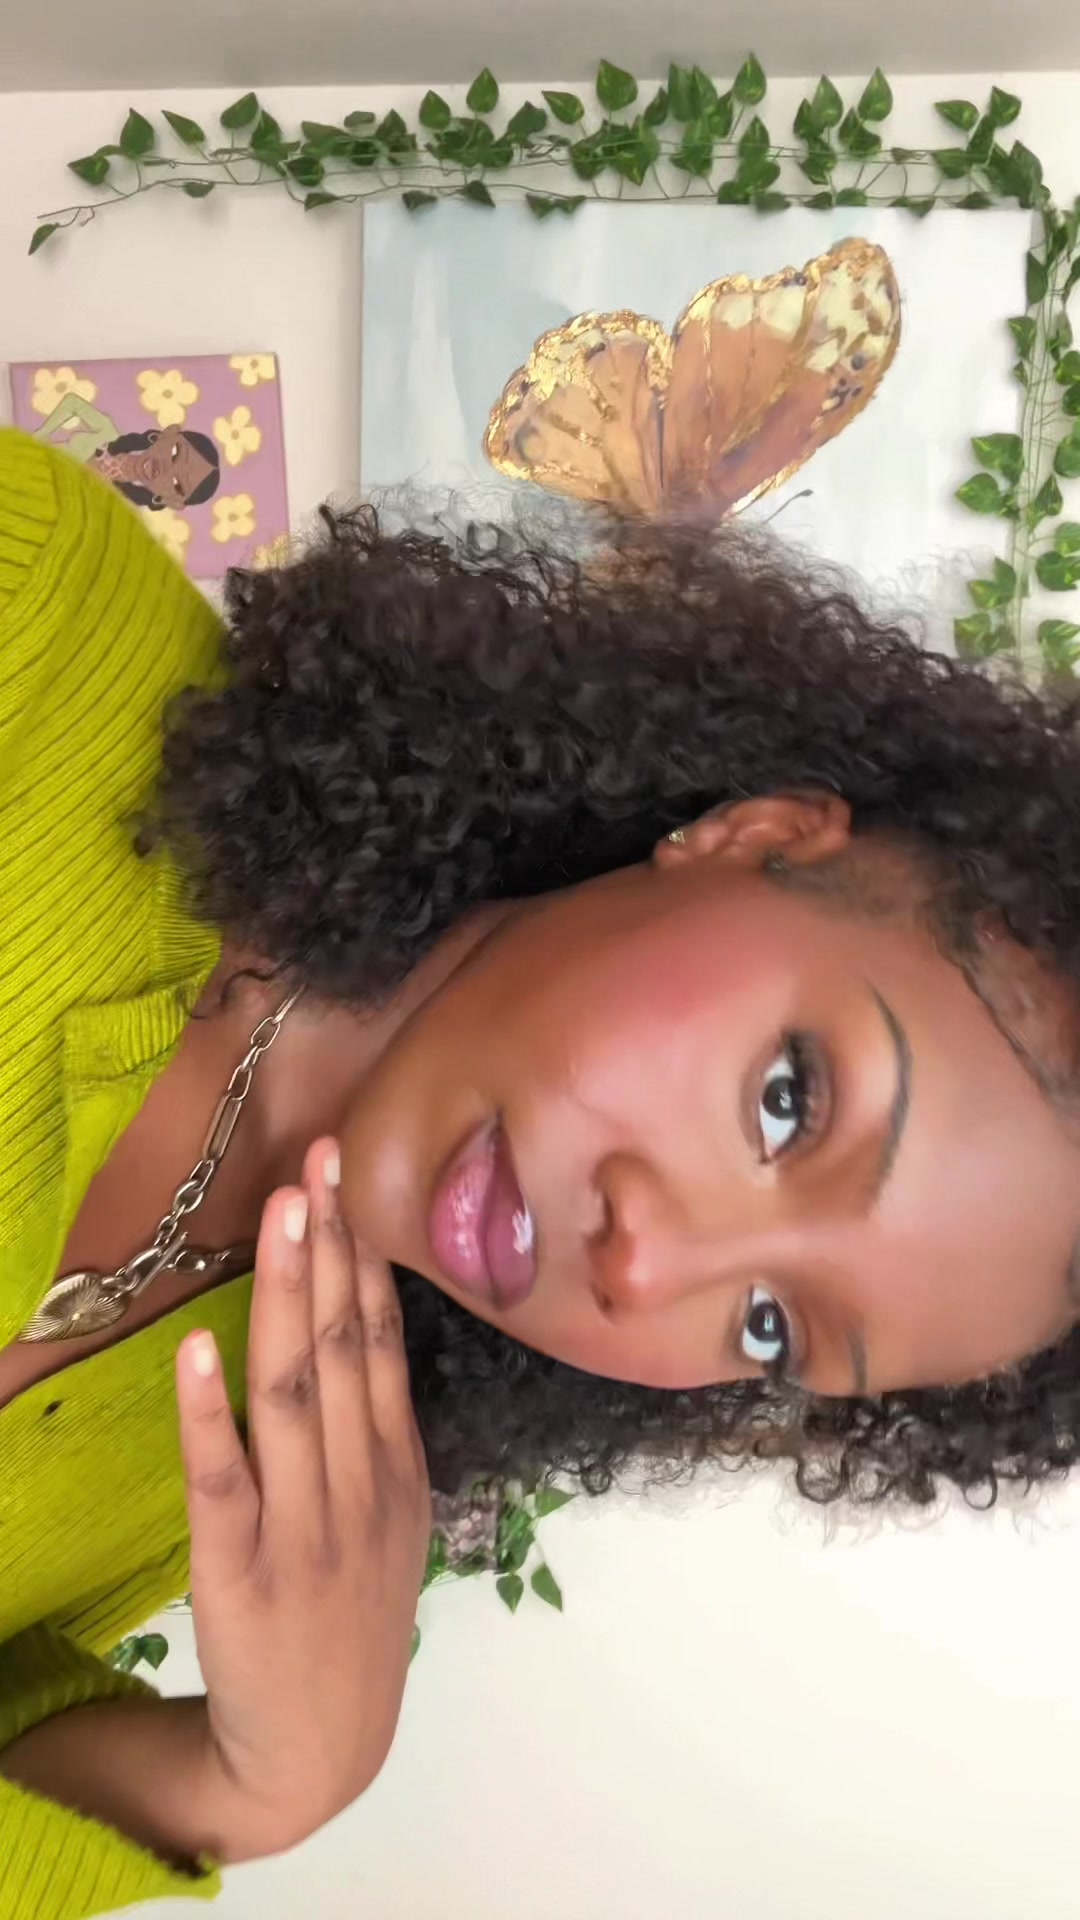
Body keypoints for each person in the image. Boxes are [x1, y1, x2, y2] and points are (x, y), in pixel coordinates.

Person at [2, 421, 1080, 1914]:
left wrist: (257, 1786)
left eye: (773, 1325)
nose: (646, 1264)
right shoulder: (37, 640)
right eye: (787, 1102)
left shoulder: (268, 1424)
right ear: (752, 835)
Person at [33, 392, 220, 509]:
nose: (166, 469)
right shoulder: (107, 433)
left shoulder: (109, 506)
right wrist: (40, 435)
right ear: (167, 434)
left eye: (177, 483)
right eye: (174, 453)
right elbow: (72, 402)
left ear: (171, 501)